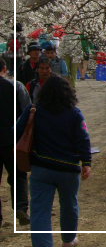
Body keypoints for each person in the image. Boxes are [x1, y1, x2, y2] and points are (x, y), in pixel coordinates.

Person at [16, 75, 91, 247]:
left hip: (41, 168)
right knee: (69, 205)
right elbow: (83, 139)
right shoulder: (75, 113)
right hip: (69, 169)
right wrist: (87, 163)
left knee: (40, 211)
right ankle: (69, 240)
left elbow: (17, 131)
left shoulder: (34, 110)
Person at [0, 58, 32, 227]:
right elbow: (28, 110)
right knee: (18, 175)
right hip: (12, 138)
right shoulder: (16, 86)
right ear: (5, 68)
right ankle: (20, 207)